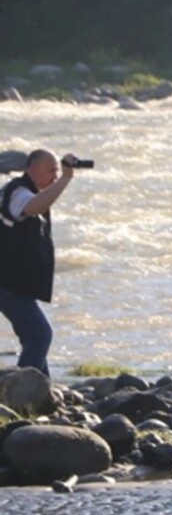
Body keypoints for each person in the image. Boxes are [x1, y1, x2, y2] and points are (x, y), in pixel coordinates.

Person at [0, 150, 83, 375]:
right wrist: (66, 178)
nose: (55, 176)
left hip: (15, 282)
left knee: (32, 336)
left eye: (57, 171)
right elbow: (33, 206)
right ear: (31, 169)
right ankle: (19, 394)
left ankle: (41, 393)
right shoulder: (18, 191)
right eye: (51, 171)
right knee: (40, 334)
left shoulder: (25, 190)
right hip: (7, 284)